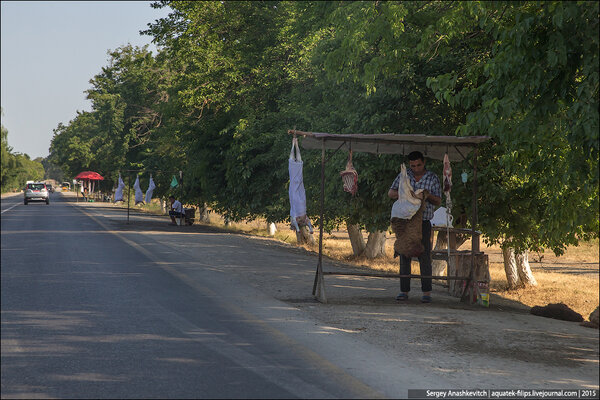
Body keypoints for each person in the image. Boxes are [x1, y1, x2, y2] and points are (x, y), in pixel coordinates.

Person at [388, 151, 442, 303]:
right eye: (413, 166)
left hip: (424, 222)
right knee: (405, 254)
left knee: (424, 256)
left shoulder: (432, 178)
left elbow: (438, 201)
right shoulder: (404, 176)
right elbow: (390, 192)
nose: (416, 168)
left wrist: (425, 195)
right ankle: (403, 291)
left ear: (423, 163)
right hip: (406, 222)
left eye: (418, 165)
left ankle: (426, 293)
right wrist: (405, 194)